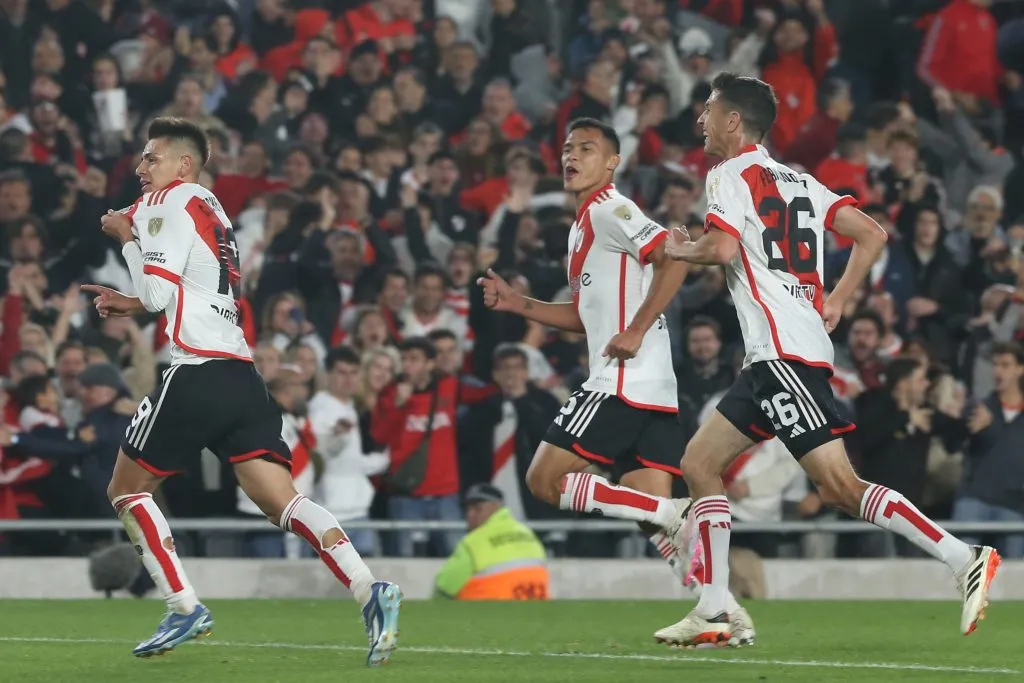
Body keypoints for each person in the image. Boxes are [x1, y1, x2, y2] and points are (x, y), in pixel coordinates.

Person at [659, 72, 1000, 646]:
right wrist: (836, 298)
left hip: (783, 356)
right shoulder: (802, 181)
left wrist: (676, 246)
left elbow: (719, 249)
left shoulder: (727, 173)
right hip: (776, 357)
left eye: (710, 110)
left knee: (841, 486)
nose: (702, 121)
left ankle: (964, 556)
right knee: (698, 463)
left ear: (734, 122)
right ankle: (715, 609)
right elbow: (872, 234)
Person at [78, 117, 402, 665]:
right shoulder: (211, 205)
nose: (140, 168)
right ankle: (369, 588)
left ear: (184, 163)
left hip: (197, 371)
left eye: (151, 158)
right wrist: (129, 295)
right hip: (242, 375)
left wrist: (128, 241)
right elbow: (191, 287)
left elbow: (158, 295)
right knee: (284, 501)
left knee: (126, 490)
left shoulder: (167, 202)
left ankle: (183, 606)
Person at [477, 117, 754, 645]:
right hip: (652, 387)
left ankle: (672, 513)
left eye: (586, 148)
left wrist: (636, 328)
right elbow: (586, 315)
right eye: (566, 148)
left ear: (612, 162)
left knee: (544, 480)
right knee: (658, 532)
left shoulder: (610, 208)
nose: (571, 156)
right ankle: (724, 613)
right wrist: (519, 305)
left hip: (622, 379)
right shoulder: (583, 225)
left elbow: (674, 257)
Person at [433, 483, 549, 600]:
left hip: (490, 613)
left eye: (477, 509)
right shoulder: (527, 533)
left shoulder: (474, 542)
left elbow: (444, 587)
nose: (470, 514)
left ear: (496, 507)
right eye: (468, 509)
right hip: (535, 611)